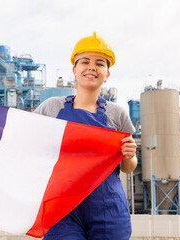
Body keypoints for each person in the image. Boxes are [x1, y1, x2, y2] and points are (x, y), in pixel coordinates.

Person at [34, 32, 137, 240]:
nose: (92, 67)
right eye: (85, 62)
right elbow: (18, 136)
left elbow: (128, 167)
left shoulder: (117, 114)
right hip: (62, 209)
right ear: (74, 69)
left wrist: (129, 155)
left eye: (100, 63)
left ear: (107, 73)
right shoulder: (51, 107)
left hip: (108, 209)